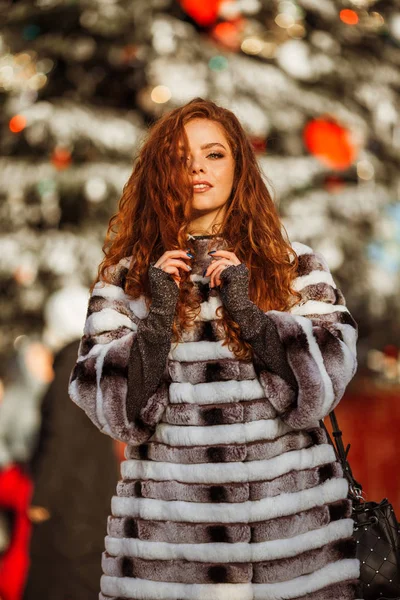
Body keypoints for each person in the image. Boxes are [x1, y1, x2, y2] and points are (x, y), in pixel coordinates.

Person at [68, 97, 361, 600]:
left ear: (239, 167)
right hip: (172, 558)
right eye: (181, 157)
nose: (198, 167)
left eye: (214, 154)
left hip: (294, 549)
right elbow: (116, 413)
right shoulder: (129, 279)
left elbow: (329, 377)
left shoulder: (294, 266)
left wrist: (253, 318)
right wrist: (158, 321)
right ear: (162, 173)